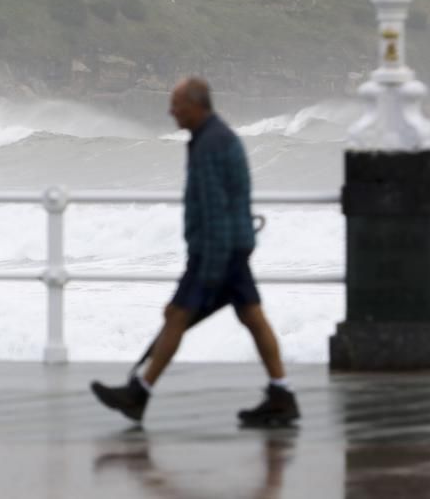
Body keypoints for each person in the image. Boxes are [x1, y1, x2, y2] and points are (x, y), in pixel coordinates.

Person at [91, 77, 299, 426]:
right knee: (248, 315)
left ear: (196, 105)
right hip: (232, 247)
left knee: (178, 314)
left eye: (177, 104)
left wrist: (210, 268)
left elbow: (215, 208)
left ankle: (139, 394)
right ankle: (281, 393)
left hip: (217, 252)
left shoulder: (209, 146)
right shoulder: (214, 137)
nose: (171, 111)